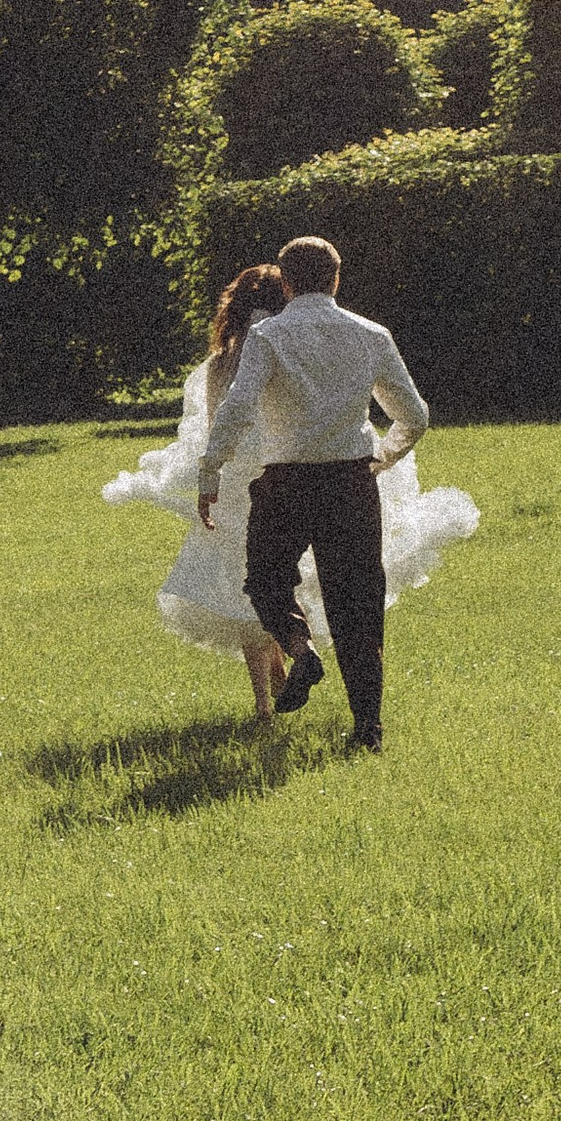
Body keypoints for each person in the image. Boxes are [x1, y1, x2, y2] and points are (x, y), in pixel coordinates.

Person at [194, 234, 461, 754]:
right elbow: (415, 415)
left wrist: (211, 474)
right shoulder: (370, 334)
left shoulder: (268, 336)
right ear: (337, 279)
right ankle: (368, 731)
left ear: (286, 282)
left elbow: (236, 410)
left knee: (265, 580)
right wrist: (379, 461)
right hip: (350, 484)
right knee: (358, 606)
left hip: (286, 482)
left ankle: (299, 646)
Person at [102, 263, 297, 714]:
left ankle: (264, 700)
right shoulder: (288, 351)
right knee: (279, 575)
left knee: (240, 584)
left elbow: (214, 426)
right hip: (279, 473)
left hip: (233, 478)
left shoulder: (222, 362)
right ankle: (279, 666)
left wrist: (212, 475)